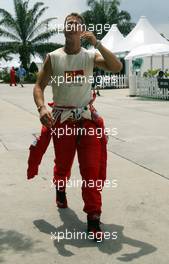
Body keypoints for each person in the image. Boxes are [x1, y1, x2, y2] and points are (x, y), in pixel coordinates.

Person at [33, 13, 122, 240]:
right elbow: (39, 86)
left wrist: (98, 43)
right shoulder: (53, 58)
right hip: (62, 120)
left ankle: (93, 218)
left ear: (82, 31)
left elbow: (117, 67)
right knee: (62, 165)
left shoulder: (90, 56)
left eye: (75, 23)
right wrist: (42, 108)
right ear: (64, 30)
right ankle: (60, 189)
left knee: (91, 169)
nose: (71, 25)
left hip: (86, 119)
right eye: (67, 23)